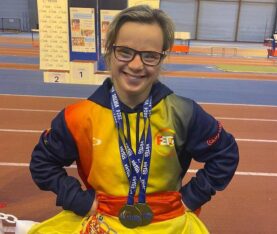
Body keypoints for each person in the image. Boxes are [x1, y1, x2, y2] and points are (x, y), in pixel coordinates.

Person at [29, 5, 239, 233]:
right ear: (109, 52)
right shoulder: (78, 116)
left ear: (161, 60)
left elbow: (225, 153)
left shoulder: (183, 112)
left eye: (150, 56)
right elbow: (42, 163)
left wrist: (192, 196)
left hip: (169, 224)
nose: (136, 65)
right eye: (125, 51)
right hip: (103, 223)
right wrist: (78, 200)